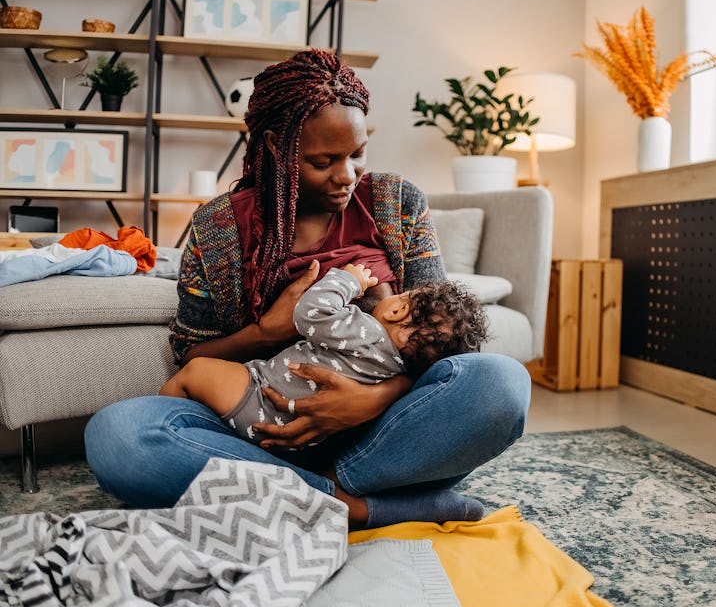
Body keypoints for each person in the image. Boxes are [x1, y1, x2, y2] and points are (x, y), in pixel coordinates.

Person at [84, 48, 531, 529]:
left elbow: (440, 340)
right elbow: (191, 355)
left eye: (357, 154)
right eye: (324, 161)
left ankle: (304, 494)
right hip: (258, 428)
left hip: (379, 433)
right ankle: (351, 505)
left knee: (500, 383)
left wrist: (370, 400)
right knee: (120, 434)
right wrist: (267, 331)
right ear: (277, 146)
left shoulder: (396, 202)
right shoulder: (219, 227)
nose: (347, 176)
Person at [159, 261, 488, 446]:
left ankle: (161, 416)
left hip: (260, 398)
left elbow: (311, 313)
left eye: (402, 295)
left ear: (397, 311)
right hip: (299, 433)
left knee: (196, 372)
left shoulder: (367, 333)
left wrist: (349, 281)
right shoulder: (394, 368)